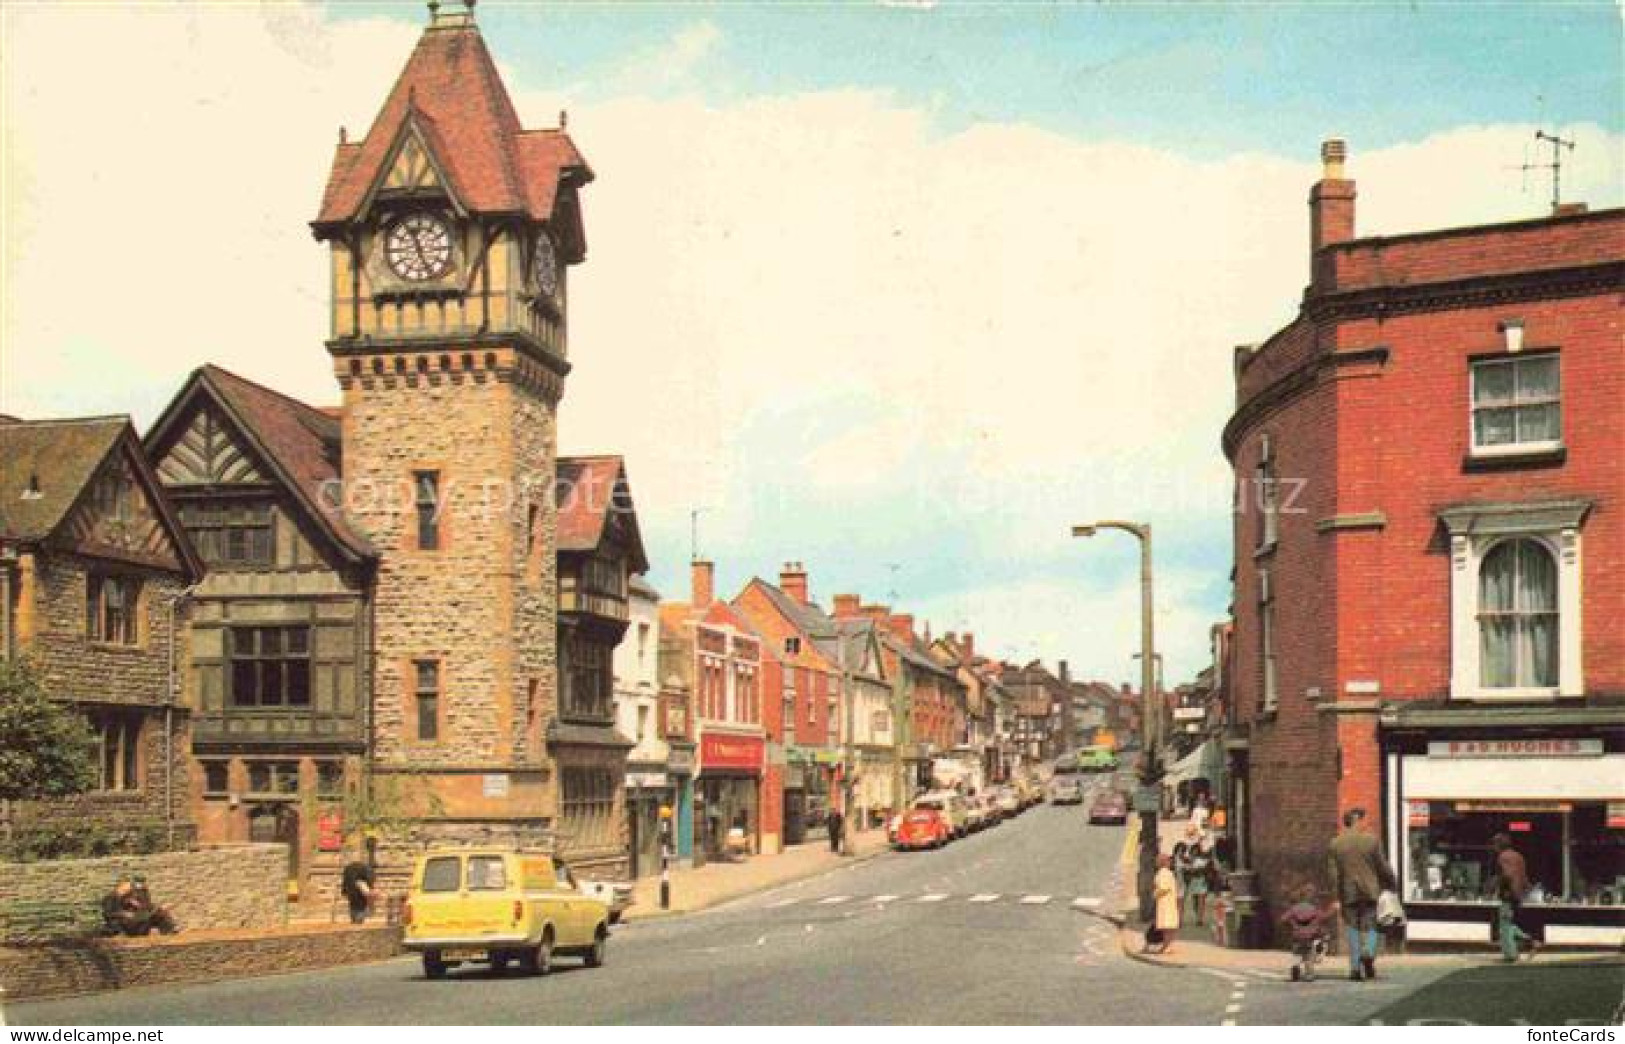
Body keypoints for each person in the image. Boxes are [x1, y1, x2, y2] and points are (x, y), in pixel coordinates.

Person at [1327, 807, 1397, 981]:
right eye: (1364, 820)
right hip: (1370, 891)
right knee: (1372, 926)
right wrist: (1392, 884)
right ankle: (1368, 952)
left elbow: (1333, 874)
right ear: (1357, 820)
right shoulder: (1371, 841)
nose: (1367, 824)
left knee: (1352, 929)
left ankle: (1355, 969)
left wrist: (1335, 897)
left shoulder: (1335, 844)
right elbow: (1382, 867)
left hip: (1348, 893)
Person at [1492, 833, 1539, 962]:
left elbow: (1508, 874)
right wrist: (1525, 891)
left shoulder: (1503, 856)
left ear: (1499, 845)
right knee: (1509, 923)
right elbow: (1524, 877)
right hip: (1518, 895)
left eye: (1495, 844)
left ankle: (1511, 955)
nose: (1493, 847)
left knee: (1505, 926)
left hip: (1508, 894)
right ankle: (1532, 942)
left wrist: (1499, 886)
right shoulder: (1519, 856)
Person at [1279, 885, 1334, 982]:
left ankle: (1295, 968)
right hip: (1310, 936)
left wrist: (1292, 925)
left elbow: (1283, 919)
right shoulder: (1315, 909)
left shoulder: (1294, 909)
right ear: (1311, 897)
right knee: (1309, 955)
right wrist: (1333, 909)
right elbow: (1323, 917)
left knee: (1297, 954)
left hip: (1297, 935)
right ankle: (1309, 973)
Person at [101, 875, 178, 937]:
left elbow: (148, 908)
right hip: (124, 925)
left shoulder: (141, 893)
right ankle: (119, 936)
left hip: (139, 922)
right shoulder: (112, 898)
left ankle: (170, 932)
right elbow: (108, 914)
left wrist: (159, 909)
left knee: (160, 913)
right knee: (116, 923)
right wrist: (124, 914)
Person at [1144, 853, 1180, 955]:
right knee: (1168, 927)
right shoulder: (1167, 872)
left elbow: (1164, 888)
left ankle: (1167, 946)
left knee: (1167, 927)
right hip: (1168, 902)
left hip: (1165, 903)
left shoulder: (1163, 873)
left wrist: (1155, 894)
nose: (1156, 863)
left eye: (1158, 861)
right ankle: (1167, 946)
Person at [341, 853, 376, 924]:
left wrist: (344, 890)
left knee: (353, 904)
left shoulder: (348, 868)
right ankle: (358, 920)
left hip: (351, 889)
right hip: (359, 891)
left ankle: (355, 919)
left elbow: (345, 881)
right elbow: (370, 880)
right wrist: (371, 889)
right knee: (360, 905)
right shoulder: (367, 869)